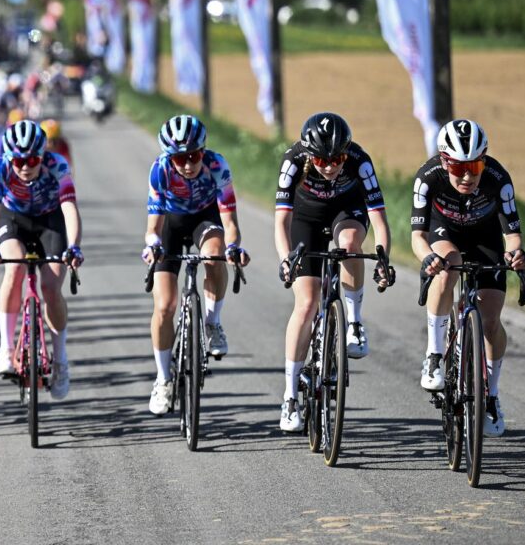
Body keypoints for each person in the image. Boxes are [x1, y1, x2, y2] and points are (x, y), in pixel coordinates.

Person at [273, 112, 394, 433]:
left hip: (347, 212)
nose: (330, 166)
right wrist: (287, 259)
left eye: (337, 158)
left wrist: (383, 258)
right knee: (307, 303)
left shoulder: (360, 161)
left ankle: (353, 323)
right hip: (306, 220)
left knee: (351, 243)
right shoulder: (293, 161)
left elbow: (379, 220)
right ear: (309, 154)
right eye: (322, 160)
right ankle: (289, 398)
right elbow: (282, 221)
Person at [412, 119, 525, 437]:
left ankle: (490, 397)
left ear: (484, 160)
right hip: (444, 232)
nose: (467, 176)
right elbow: (417, 236)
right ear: (444, 161)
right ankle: (434, 356)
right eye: (459, 167)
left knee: (490, 321)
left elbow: (513, 235)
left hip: (485, 238)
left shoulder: (497, 179)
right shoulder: (428, 177)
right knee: (449, 265)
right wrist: (428, 258)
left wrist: (515, 254)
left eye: (475, 165)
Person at [141, 115, 250, 416]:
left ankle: (213, 324)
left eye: (194, 156)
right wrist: (152, 244)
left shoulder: (217, 166)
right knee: (165, 306)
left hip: (206, 219)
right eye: (180, 158)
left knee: (215, 255)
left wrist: (233, 247)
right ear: (169, 157)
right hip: (172, 226)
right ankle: (163, 379)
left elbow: (230, 221)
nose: (188, 164)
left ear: (203, 151)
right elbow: (154, 225)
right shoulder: (160, 170)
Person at [0, 120, 83, 400]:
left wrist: (73, 246)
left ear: (43, 155)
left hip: (51, 221)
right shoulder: (0, 166)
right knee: (14, 268)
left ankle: (60, 361)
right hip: (15, 220)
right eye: (19, 161)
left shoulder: (57, 164)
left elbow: (70, 209)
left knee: (51, 288)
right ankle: (4, 348)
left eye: (33, 160)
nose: (25, 167)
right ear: (9, 157)